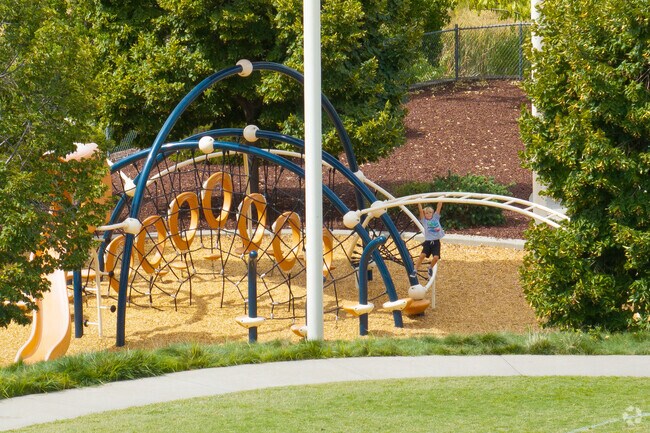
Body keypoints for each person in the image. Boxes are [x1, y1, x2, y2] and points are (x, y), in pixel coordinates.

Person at [410, 201, 444, 278]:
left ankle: (430, 268)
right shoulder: (424, 221)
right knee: (422, 255)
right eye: (426, 213)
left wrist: (441, 199)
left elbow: (439, 207)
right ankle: (415, 270)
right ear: (424, 214)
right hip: (428, 242)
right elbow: (420, 211)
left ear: (432, 213)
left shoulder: (435, 218)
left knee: (436, 257)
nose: (428, 214)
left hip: (436, 242)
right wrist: (419, 202)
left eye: (430, 212)